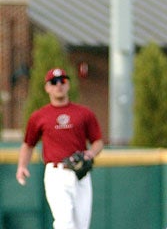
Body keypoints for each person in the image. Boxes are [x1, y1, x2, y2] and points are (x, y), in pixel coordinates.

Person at [16, 67, 104, 229]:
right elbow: (28, 144)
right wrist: (22, 166)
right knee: (64, 223)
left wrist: (90, 153)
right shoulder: (39, 116)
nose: (59, 85)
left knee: (81, 226)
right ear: (47, 87)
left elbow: (98, 141)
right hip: (56, 173)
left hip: (80, 174)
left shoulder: (84, 113)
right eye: (54, 82)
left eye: (62, 81)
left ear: (68, 84)